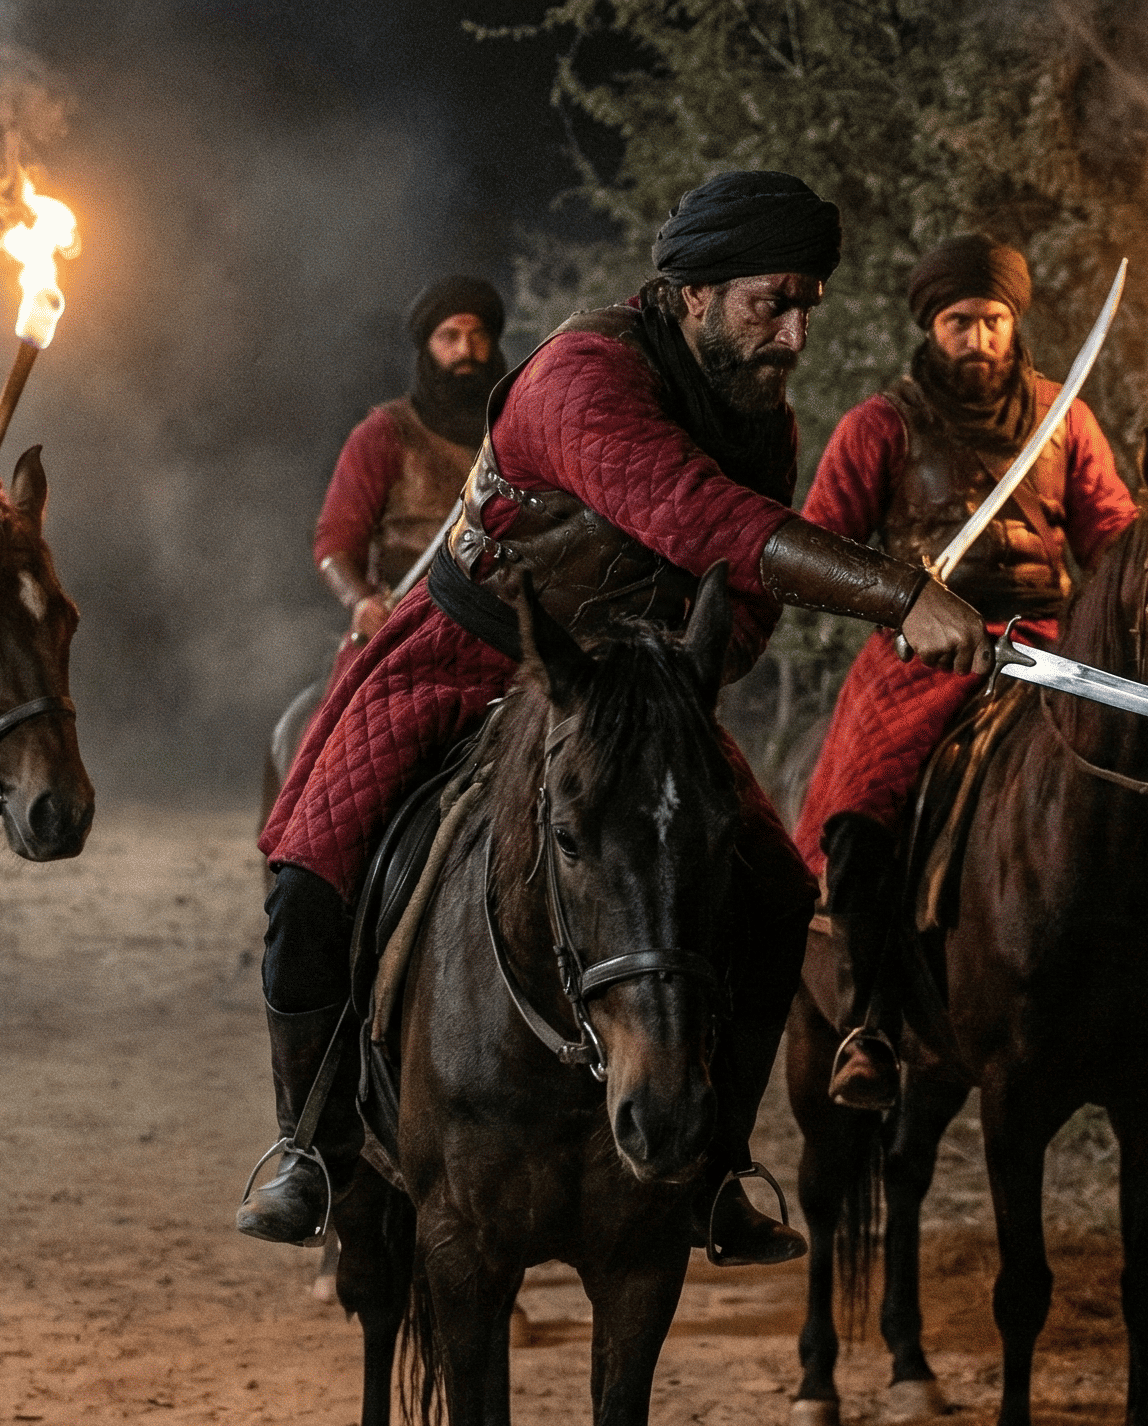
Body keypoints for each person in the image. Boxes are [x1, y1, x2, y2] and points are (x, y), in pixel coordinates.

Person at [242, 170, 990, 1261]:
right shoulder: (579, 377)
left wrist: (680, 686)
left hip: (625, 695)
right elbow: (697, 517)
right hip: (468, 652)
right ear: (692, 293)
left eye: (804, 307)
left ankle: (715, 1169)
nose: (790, 331)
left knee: (777, 889)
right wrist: (898, 592)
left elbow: (739, 604)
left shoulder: (759, 416)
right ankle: (309, 1148)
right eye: (767, 301)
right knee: (314, 872)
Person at [792, 233, 1148, 1111]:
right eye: (961, 322)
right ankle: (871, 1023)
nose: (980, 338)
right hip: (922, 653)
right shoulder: (878, 426)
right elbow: (818, 552)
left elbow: (1116, 539)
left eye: (994, 320)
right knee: (860, 813)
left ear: (1014, 324)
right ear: (932, 328)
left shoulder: (1064, 419)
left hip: (1049, 649)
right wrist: (898, 602)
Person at [313, 275, 507, 644]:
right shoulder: (385, 433)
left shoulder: (515, 430)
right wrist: (362, 602)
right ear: (427, 347)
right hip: (410, 623)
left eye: (479, 335)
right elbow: (335, 541)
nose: (466, 349)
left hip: (505, 618)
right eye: (449, 336)